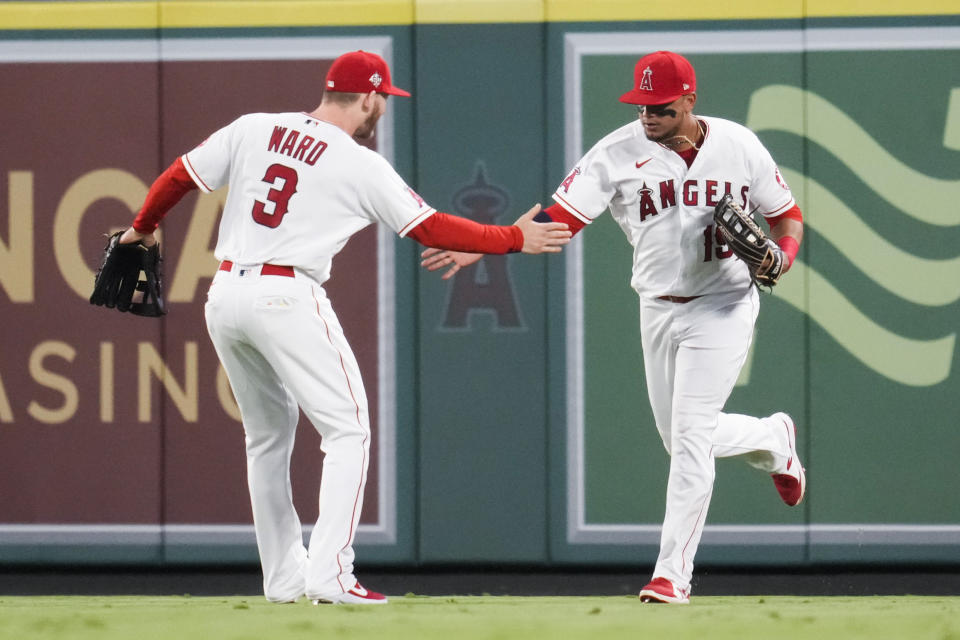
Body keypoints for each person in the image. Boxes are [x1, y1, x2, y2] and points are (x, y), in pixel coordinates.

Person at [115, 50, 571, 605]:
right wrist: (512, 238)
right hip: (285, 294)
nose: (383, 108)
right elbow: (431, 228)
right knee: (348, 431)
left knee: (265, 439)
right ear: (371, 97)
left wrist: (142, 229)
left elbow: (178, 177)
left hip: (226, 294)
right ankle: (331, 573)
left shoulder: (255, 127)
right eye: (384, 99)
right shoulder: (357, 162)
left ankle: (284, 579)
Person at [422, 50, 806, 604]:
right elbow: (559, 220)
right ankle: (773, 439)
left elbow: (786, 214)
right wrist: (485, 245)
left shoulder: (738, 145)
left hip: (723, 304)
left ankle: (672, 574)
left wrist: (784, 256)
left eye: (662, 108)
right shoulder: (618, 152)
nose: (649, 116)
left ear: (690, 101)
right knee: (680, 441)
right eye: (643, 105)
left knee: (693, 435)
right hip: (657, 305)